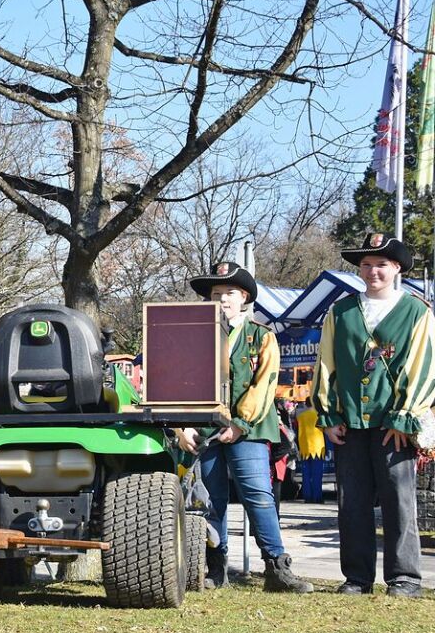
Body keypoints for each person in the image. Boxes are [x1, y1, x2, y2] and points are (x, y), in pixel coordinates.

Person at [177, 261, 312, 593]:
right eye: (216, 293)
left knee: (258, 495)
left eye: (230, 293)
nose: (222, 299)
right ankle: (215, 569)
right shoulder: (193, 338)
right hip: (205, 431)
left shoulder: (261, 336)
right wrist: (182, 426)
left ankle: (277, 568)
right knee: (210, 500)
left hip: (248, 431)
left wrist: (239, 424)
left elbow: (264, 384)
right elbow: (180, 383)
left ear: (245, 297)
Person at [312, 233, 435, 598]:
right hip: (350, 422)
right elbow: (326, 364)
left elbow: (423, 367)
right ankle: (357, 577)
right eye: (366, 265)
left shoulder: (416, 311)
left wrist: (404, 417)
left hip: (391, 425)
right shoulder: (341, 311)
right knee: (352, 502)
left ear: (396, 268)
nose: (372, 271)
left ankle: (404, 578)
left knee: (399, 501)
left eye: (381, 264)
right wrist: (328, 413)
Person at [296, 398, 326, 503]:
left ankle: (307, 497)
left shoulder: (300, 417)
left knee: (306, 475)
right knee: (317, 474)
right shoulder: (319, 415)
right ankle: (317, 497)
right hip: (317, 447)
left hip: (304, 447)